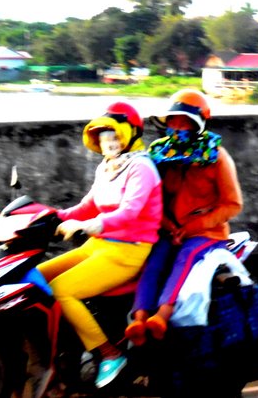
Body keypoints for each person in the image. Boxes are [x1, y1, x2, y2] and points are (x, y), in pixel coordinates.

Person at [37, 102, 162, 389]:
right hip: (100, 245)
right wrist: (49, 214)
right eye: (104, 135)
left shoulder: (141, 167)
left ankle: (109, 353)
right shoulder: (108, 167)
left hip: (129, 250)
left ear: (130, 134)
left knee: (62, 289)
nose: (110, 141)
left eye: (115, 134)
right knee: (37, 278)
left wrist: (87, 226)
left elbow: (129, 212)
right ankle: (61, 351)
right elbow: (87, 205)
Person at [124, 89, 243, 345]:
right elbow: (153, 198)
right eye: (173, 121)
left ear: (198, 125)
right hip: (168, 229)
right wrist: (167, 224)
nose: (177, 127)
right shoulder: (160, 155)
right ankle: (139, 318)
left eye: (185, 122)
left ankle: (163, 315)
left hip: (206, 233)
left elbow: (233, 204)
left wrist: (193, 227)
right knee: (153, 259)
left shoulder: (217, 157)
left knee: (186, 256)